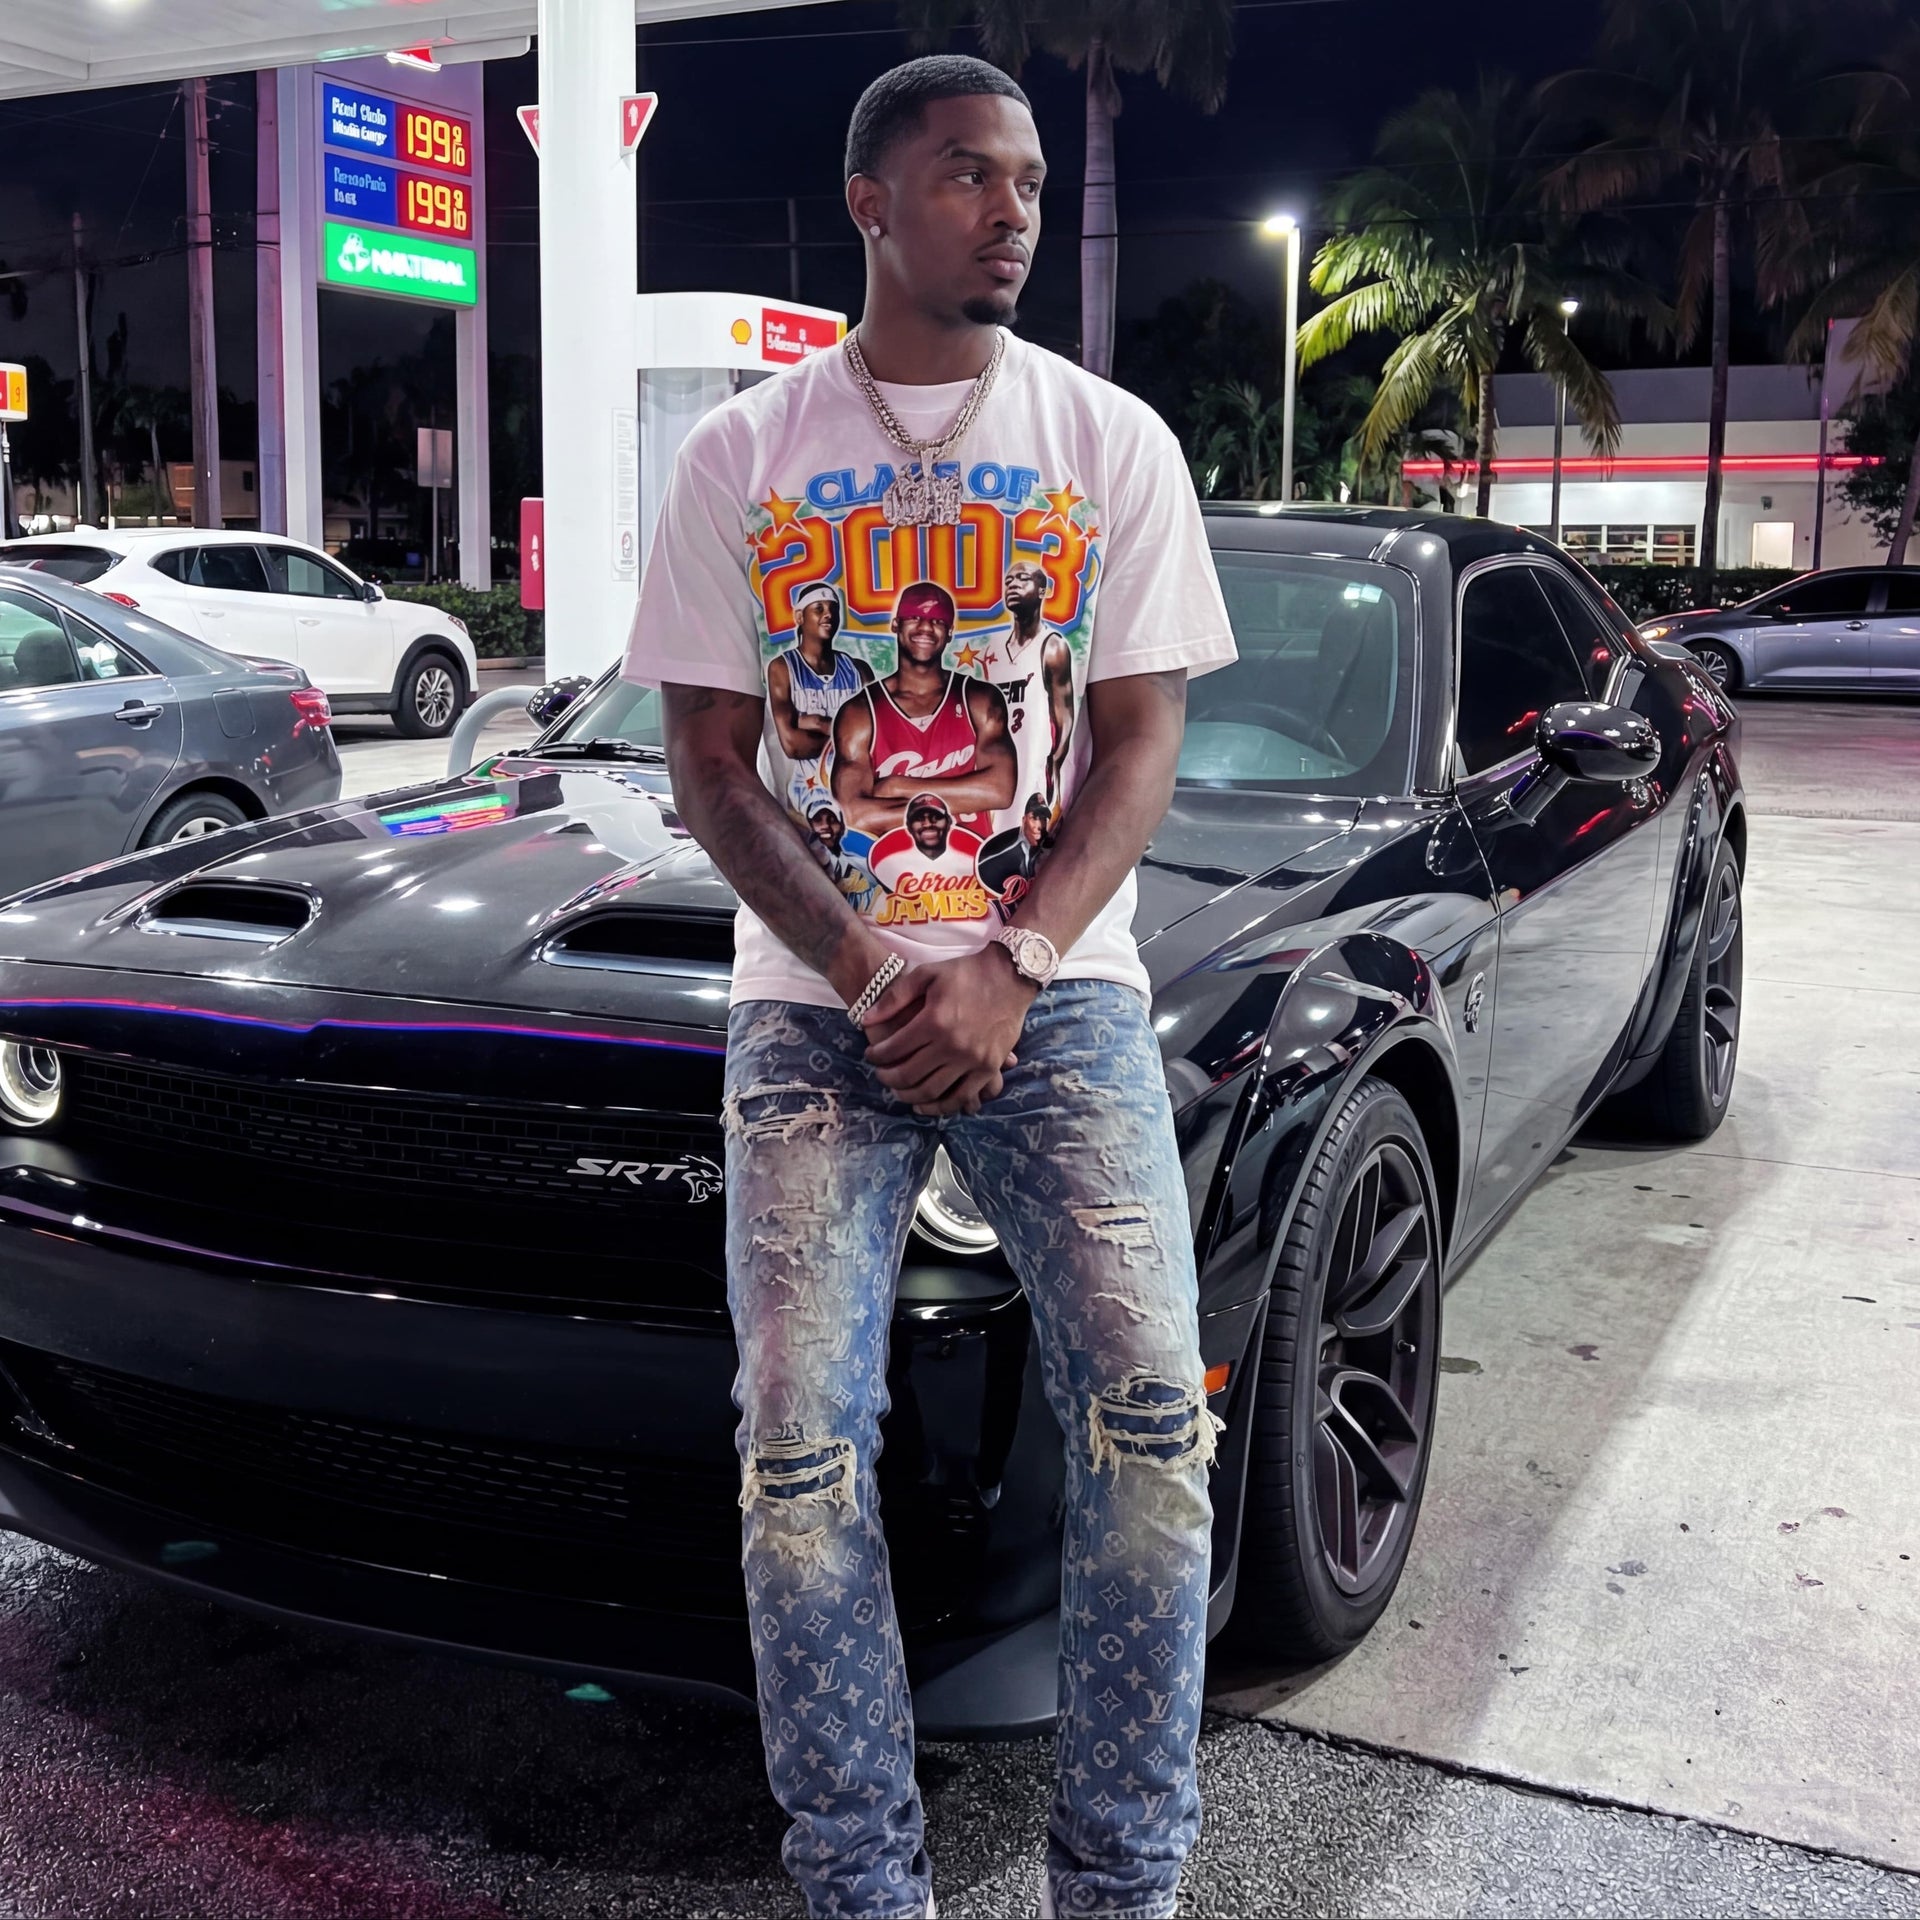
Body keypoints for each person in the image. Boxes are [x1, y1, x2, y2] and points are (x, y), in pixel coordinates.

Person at [626, 53, 1236, 1920]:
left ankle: (1119, 1882)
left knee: (1151, 1427)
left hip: (1062, 993)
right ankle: (864, 1889)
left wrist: (1018, 958)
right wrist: (880, 961)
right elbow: (712, 764)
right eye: (968, 175)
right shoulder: (741, 456)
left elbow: (1137, 744)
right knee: (800, 1453)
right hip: (816, 1013)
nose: (1015, 209)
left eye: (1031, 179)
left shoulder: (1108, 442)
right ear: (871, 202)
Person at [832, 579, 1013, 837]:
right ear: (896, 624)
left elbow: (1000, 791)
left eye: (938, 621)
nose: (926, 627)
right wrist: (961, 798)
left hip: (971, 867)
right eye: (915, 617)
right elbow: (853, 815)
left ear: (950, 632)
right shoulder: (860, 712)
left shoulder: (979, 699)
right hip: (890, 872)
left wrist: (897, 786)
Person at [768, 582, 873, 818]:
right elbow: (794, 746)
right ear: (799, 616)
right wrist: (850, 737)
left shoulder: (859, 670)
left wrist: (817, 723)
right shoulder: (783, 668)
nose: (828, 614)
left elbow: (877, 741)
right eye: (818, 608)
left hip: (857, 798)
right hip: (807, 800)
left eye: (832, 609)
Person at [995, 560, 1077, 815]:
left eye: (1022, 579)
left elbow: (1064, 718)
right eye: (1009, 581)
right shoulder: (993, 649)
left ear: (1042, 590)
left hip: (1035, 776)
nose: (1013, 585)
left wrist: (1052, 767)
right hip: (998, 771)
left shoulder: (1052, 646)